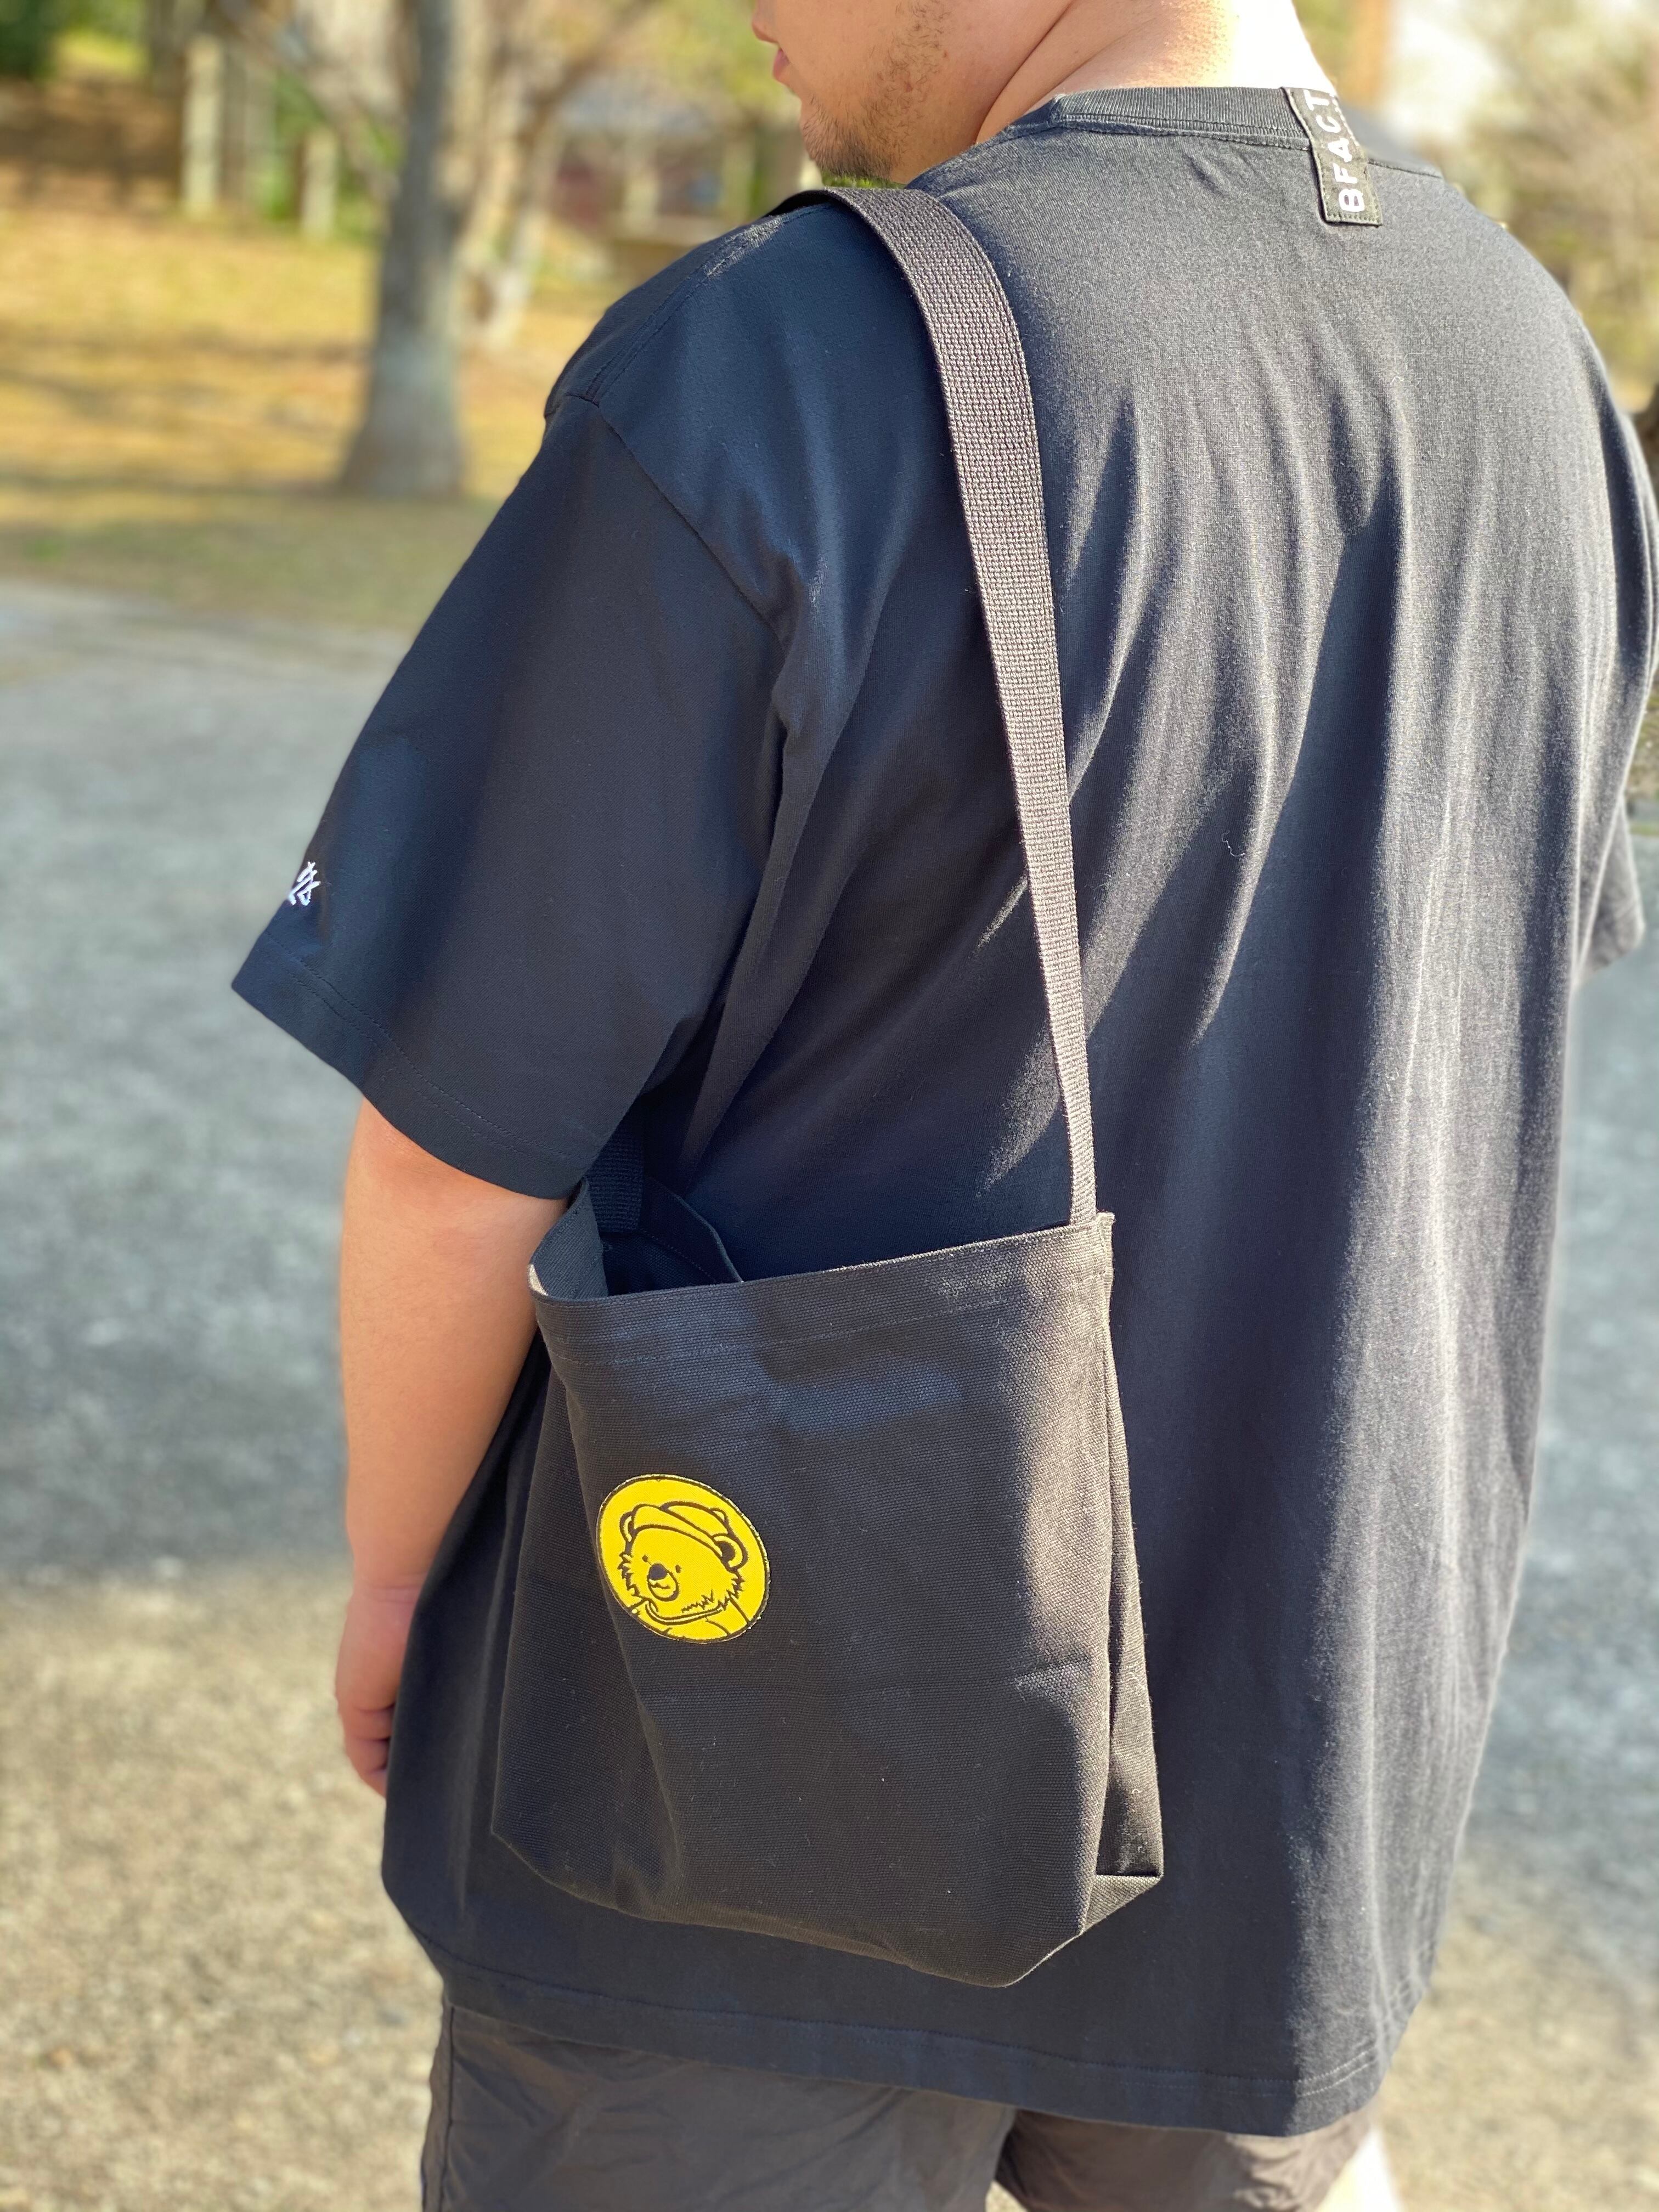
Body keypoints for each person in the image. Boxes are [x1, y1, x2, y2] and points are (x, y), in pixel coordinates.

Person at [233, 0, 1657, 2197]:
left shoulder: (785, 359)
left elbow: (453, 1151)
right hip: (1300, 1777)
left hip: (741, 1786)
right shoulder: (1541, 371)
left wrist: (394, 1580)